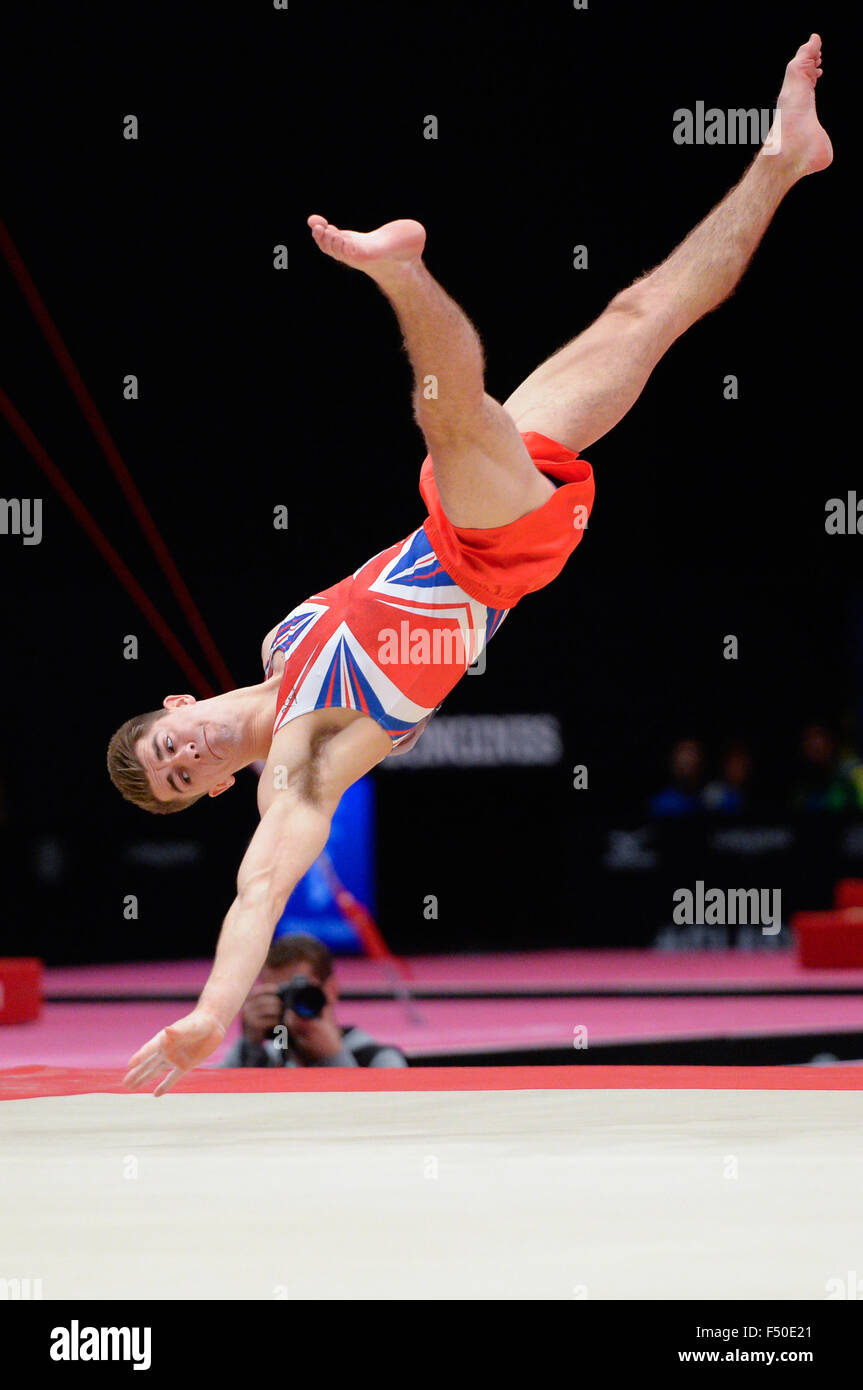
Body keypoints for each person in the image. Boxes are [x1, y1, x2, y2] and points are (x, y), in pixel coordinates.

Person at [113, 36, 833, 1093]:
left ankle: (781, 157)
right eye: (186, 777)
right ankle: (403, 273)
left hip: (475, 510)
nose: (188, 754)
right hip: (493, 547)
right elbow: (261, 883)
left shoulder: (281, 637)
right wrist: (212, 1011)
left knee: (641, 313)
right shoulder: (306, 760)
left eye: (169, 742)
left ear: (177, 702)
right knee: (443, 425)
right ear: (218, 785)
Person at [220, 934, 407, 1069]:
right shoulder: (267, 1055)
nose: (290, 1005)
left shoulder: (378, 1060)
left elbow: (373, 1118)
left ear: (331, 990)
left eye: (301, 992)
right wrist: (249, 1044)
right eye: (280, 995)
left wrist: (332, 1057)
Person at [649, 737, 706, 817]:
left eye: (691, 753)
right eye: (681, 752)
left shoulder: (714, 799)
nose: (685, 759)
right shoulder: (660, 803)